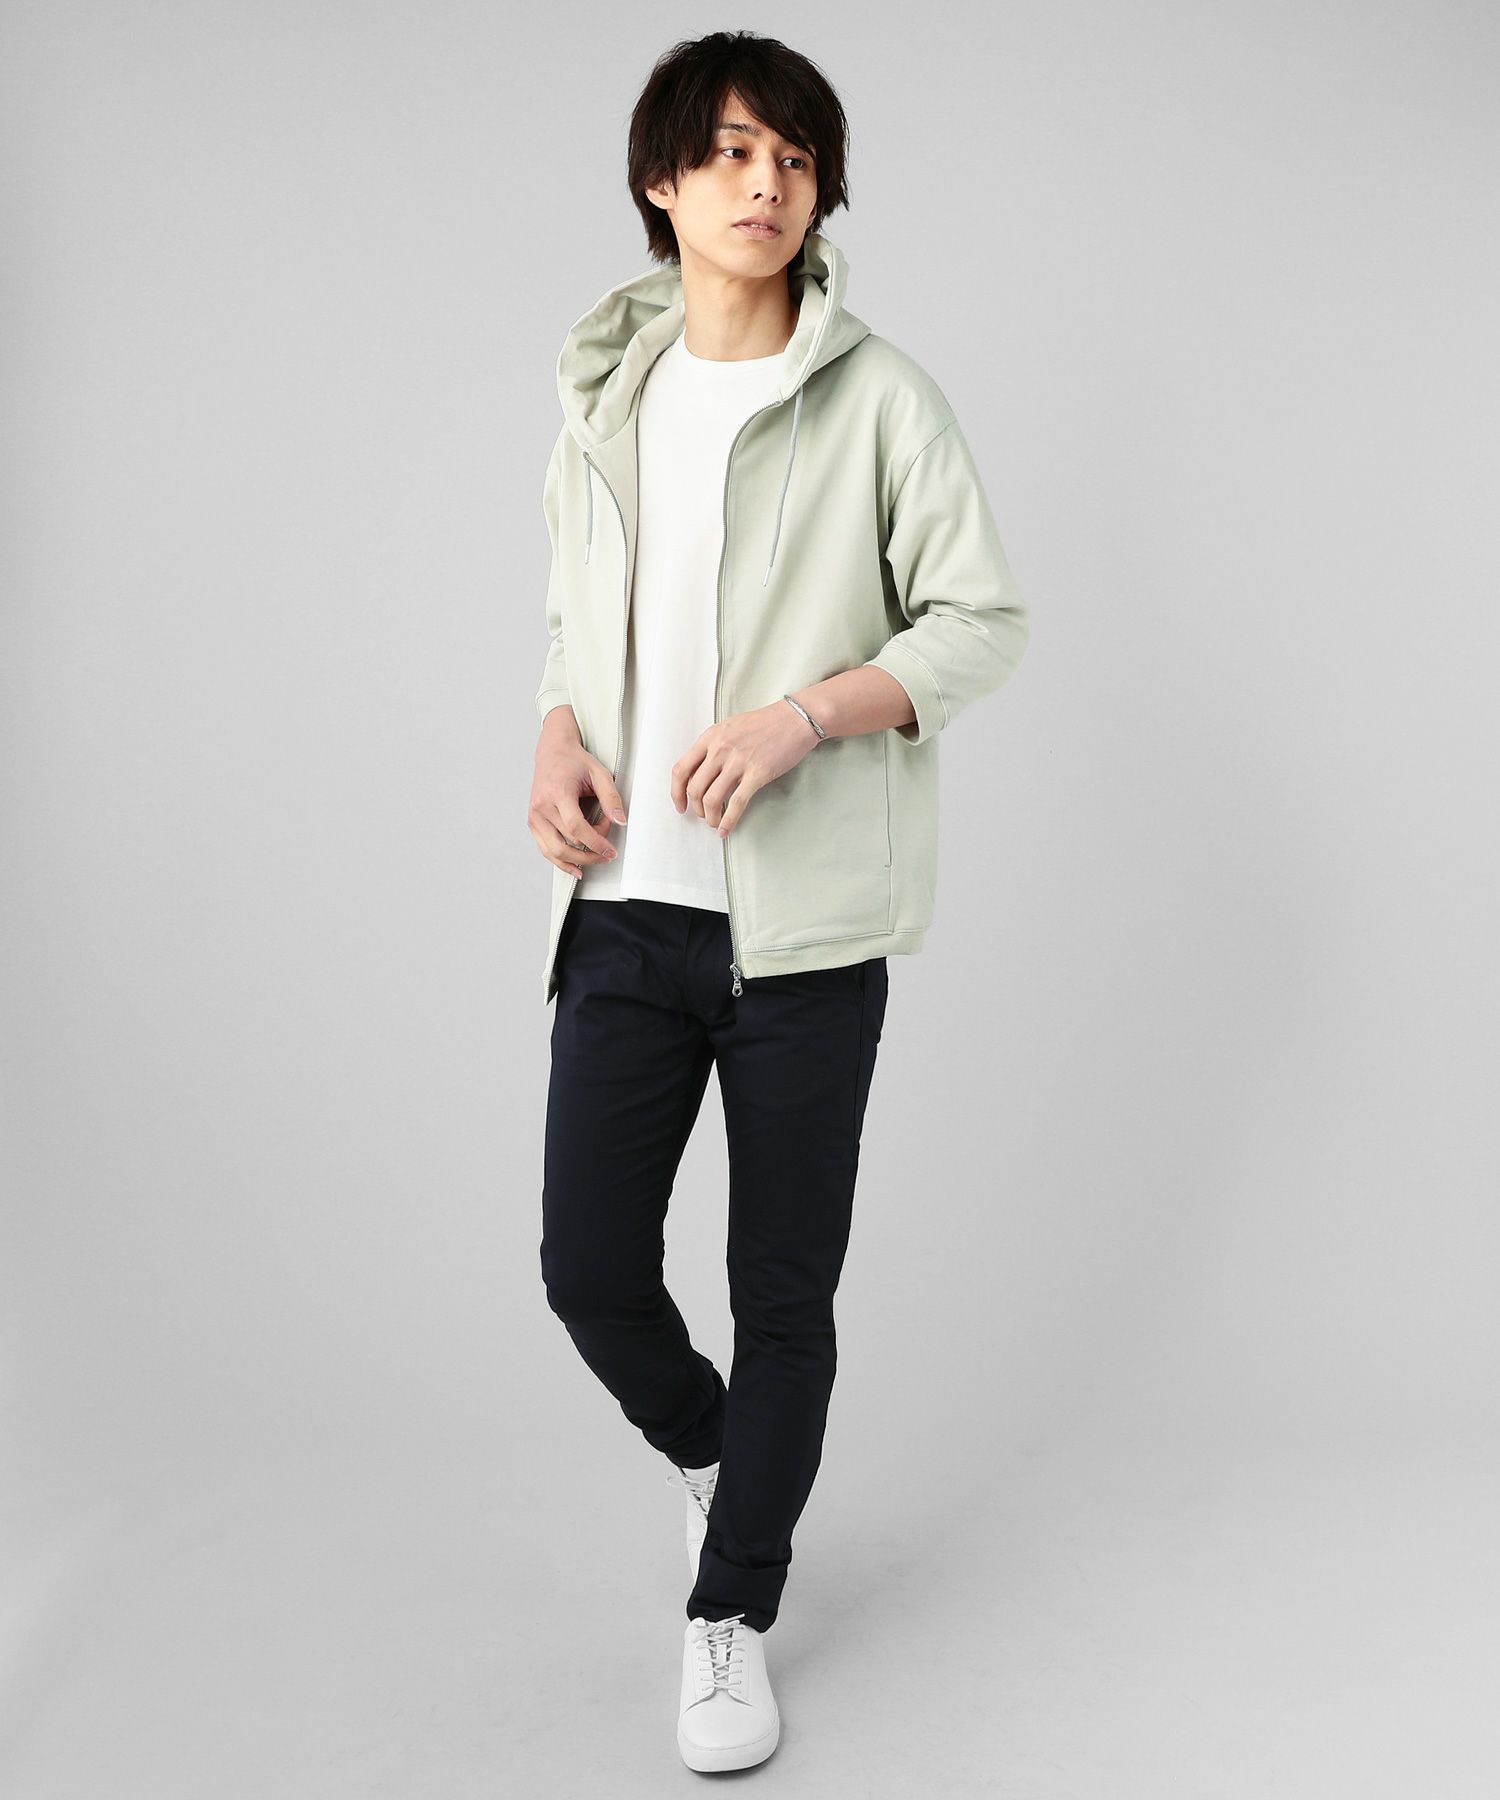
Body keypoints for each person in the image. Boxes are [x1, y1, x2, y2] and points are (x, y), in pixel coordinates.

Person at [526, 29, 1029, 1773]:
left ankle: (731, 1612)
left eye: (796, 158)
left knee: (783, 1296)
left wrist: (808, 715)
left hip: (802, 941)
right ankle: (723, 1457)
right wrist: (552, 737)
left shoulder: (883, 399)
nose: (766, 183)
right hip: (622, 916)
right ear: (662, 184)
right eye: (732, 152)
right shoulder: (607, 400)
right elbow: (572, 624)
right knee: (589, 1269)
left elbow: (980, 621)